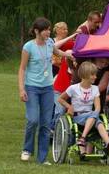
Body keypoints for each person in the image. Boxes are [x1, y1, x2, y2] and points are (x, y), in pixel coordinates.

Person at [18, 17, 74, 164]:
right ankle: (27, 150)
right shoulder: (28, 47)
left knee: (45, 123)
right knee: (33, 120)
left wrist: (68, 54)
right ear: (37, 31)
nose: (48, 32)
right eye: (45, 30)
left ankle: (42, 158)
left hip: (48, 88)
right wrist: (21, 89)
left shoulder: (50, 43)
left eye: (49, 29)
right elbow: (22, 69)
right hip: (32, 88)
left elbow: (57, 52)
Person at [57, 61, 109, 157]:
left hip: (91, 115)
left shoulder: (95, 89)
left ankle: (108, 143)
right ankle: (83, 138)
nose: (95, 77)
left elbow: (98, 107)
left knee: (98, 121)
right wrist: (69, 106)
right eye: (93, 75)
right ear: (85, 75)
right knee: (95, 118)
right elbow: (60, 99)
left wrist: (95, 113)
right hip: (78, 116)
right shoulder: (73, 88)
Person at [51, 22, 80, 128]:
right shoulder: (69, 49)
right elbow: (53, 46)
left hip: (72, 90)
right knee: (60, 110)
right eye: (64, 29)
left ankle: (60, 131)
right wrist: (73, 36)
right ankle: (53, 131)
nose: (66, 31)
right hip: (60, 87)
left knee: (68, 112)